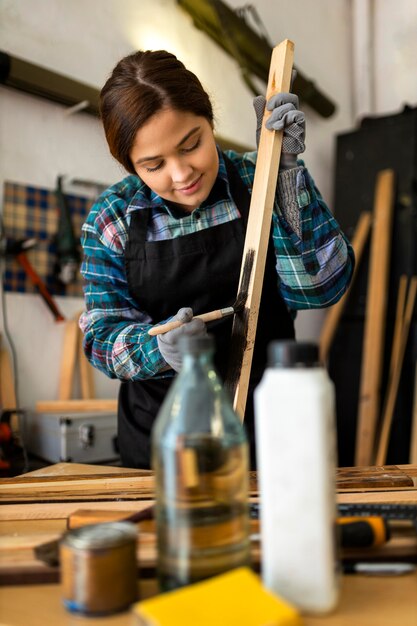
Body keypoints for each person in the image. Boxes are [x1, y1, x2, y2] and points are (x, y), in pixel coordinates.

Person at [80, 49, 354, 469]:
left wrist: (284, 178)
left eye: (192, 145)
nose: (181, 174)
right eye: (153, 165)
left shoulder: (259, 176)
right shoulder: (111, 219)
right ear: (131, 167)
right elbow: (100, 335)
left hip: (271, 430)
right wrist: (156, 348)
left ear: (210, 122)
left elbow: (320, 290)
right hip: (162, 443)